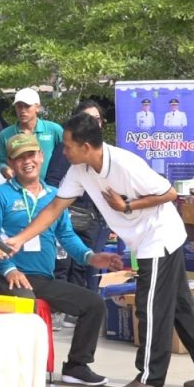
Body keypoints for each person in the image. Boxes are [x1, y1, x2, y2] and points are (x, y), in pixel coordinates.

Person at [5, 112, 194, 387]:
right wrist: (20, 239)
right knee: (179, 303)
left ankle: (150, 378)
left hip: (158, 237)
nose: (63, 152)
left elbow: (169, 194)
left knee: (150, 307)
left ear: (85, 147)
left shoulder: (125, 164)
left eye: (67, 146)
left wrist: (127, 206)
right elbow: (54, 209)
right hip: (143, 239)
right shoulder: (79, 170)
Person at [0, 134, 120, 386]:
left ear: (41, 156)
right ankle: (24, 371)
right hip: (6, 277)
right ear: (10, 163)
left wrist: (91, 256)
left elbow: (66, 235)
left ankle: (76, 366)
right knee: (27, 303)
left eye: (31, 155)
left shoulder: (55, 196)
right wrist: (9, 268)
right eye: (20, 157)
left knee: (93, 304)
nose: (27, 161)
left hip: (43, 279)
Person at [46, 100, 111, 292]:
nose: (93, 123)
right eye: (87, 118)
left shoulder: (109, 154)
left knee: (86, 271)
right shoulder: (66, 150)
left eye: (97, 119)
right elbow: (52, 182)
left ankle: (82, 306)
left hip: (96, 221)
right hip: (68, 216)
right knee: (63, 268)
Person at [0, 87, 62, 182]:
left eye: (27, 106)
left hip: (51, 185)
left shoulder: (54, 130)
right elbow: (1, 161)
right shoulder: (5, 135)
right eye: (19, 106)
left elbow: (66, 156)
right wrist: (6, 170)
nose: (22, 110)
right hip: (19, 185)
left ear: (37, 107)